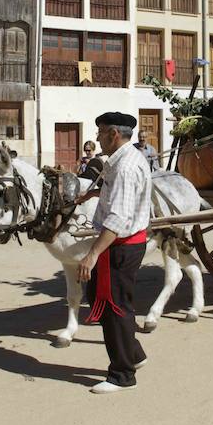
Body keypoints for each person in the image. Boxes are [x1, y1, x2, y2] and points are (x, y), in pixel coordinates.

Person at [74, 112, 151, 394]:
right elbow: (114, 195)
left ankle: (122, 374)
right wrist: (92, 195)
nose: (97, 138)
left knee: (115, 306)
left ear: (114, 135)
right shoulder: (120, 161)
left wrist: (91, 255)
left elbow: (118, 219)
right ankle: (133, 354)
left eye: (101, 132)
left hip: (122, 246)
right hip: (121, 244)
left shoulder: (126, 167)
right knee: (99, 297)